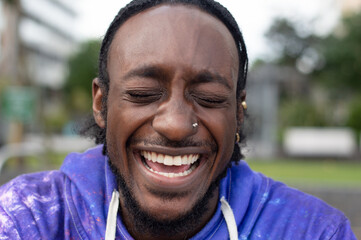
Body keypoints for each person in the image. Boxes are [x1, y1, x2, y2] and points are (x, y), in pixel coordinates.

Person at [0, 0, 357, 239]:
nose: (174, 125)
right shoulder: (31, 218)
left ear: (238, 111)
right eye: (142, 93)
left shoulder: (310, 231)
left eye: (209, 98)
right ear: (101, 103)